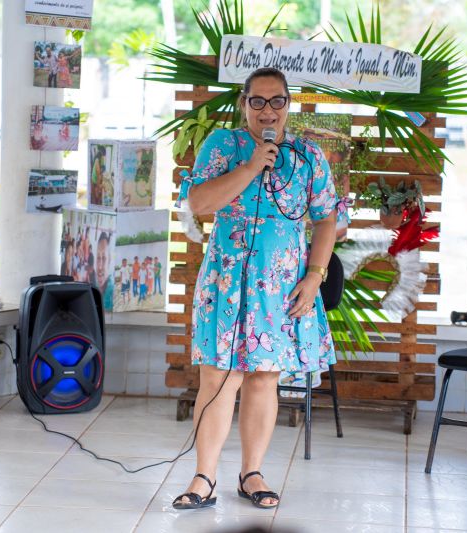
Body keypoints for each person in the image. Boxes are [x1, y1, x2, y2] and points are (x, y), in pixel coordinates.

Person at [172, 67, 338, 510]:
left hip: (282, 288)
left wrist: (315, 275)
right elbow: (199, 204)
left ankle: (252, 474)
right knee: (218, 377)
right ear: (243, 104)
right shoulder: (222, 145)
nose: (268, 110)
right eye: (258, 101)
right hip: (226, 283)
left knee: (264, 378)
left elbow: (326, 219)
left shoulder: (308, 156)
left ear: (288, 104)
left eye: (277, 100)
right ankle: (203, 478)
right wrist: (250, 167)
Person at [96, 232, 113, 309]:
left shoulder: (113, 293)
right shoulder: (92, 288)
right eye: (98, 258)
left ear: (109, 260)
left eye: (104, 258)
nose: (99, 267)